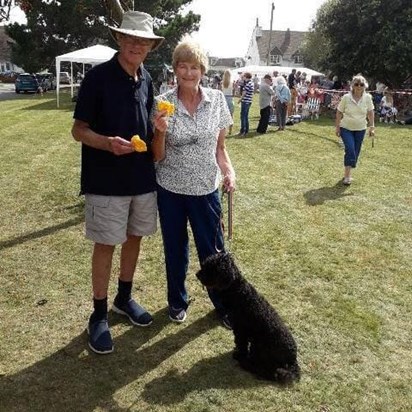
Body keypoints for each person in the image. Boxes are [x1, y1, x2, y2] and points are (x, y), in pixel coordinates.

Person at [71, 11, 165, 355]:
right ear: (119, 40)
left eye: (143, 40)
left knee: (135, 237)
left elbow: (150, 127)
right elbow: (78, 129)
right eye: (130, 38)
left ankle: (124, 299)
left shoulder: (148, 79)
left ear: (150, 47)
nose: (136, 45)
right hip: (106, 179)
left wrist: (160, 130)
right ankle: (98, 315)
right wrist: (108, 143)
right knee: (107, 243)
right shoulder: (97, 78)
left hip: (142, 178)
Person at [151, 39, 236, 328]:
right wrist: (159, 132)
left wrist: (229, 173)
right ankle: (177, 301)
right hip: (171, 190)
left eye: (195, 67)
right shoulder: (163, 102)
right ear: (175, 69)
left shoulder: (217, 101)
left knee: (213, 251)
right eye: (183, 67)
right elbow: (157, 156)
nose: (188, 73)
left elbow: (220, 148)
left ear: (203, 70)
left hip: (206, 190)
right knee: (175, 249)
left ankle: (224, 305)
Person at [335, 74, 375, 185]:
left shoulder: (367, 98)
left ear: (364, 86)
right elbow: (339, 112)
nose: (359, 86)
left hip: (361, 129)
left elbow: (370, 113)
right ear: (352, 85)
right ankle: (347, 176)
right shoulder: (346, 98)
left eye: (361, 84)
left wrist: (372, 127)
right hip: (346, 128)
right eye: (356, 84)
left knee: (356, 152)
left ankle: (348, 172)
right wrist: (337, 127)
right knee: (350, 149)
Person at [238, 71, 254, 136]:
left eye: (244, 76)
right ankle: (245, 130)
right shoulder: (250, 83)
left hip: (245, 101)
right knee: (245, 116)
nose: (243, 77)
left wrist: (240, 99)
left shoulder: (248, 84)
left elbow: (244, 93)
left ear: (246, 77)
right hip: (248, 101)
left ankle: (243, 131)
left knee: (243, 116)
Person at [222, 69, 235, 135]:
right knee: (231, 115)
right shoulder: (232, 83)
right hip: (230, 98)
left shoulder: (222, 82)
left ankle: (224, 130)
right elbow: (234, 92)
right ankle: (230, 130)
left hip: (224, 98)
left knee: (223, 115)